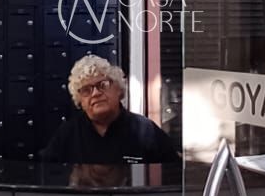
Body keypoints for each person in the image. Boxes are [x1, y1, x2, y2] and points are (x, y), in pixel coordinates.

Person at [41, 55, 179, 164]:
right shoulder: (67, 134)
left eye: (103, 85)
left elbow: (172, 175)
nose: (95, 93)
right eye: (86, 90)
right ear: (80, 101)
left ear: (119, 89)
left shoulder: (146, 131)